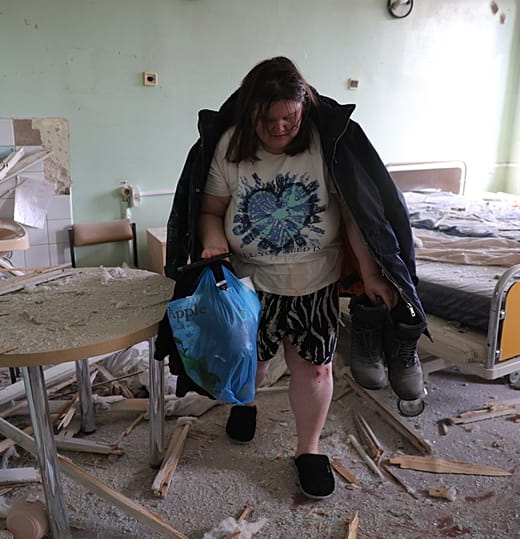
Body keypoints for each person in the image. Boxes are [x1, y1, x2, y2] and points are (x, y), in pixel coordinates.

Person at [163, 56, 427, 500]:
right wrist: (213, 245)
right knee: (253, 364)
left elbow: (354, 217)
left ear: (303, 107)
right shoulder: (229, 146)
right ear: (249, 111)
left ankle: (309, 450)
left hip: (315, 280)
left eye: (289, 117)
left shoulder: (325, 144)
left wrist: (371, 274)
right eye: (267, 119)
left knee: (316, 368)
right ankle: (246, 403)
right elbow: (209, 211)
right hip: (250, 282)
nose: (280, 127)